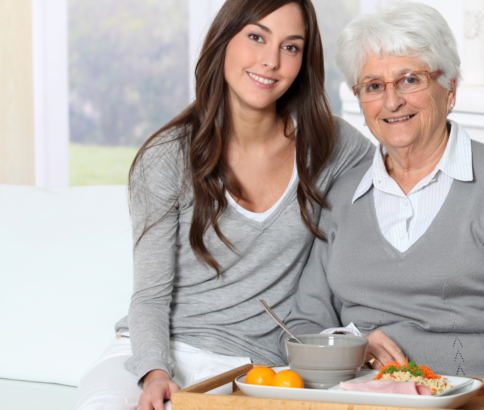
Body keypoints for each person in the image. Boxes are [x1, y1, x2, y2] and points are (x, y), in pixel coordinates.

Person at [72, 0, 373, 409]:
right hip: (147, 356)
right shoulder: (167, 157)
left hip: (252, 368)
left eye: (290, 47)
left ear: (304, 61)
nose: (270, 61)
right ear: (223, 41)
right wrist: (155, 374)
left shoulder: (330, 147)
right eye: (256, 37)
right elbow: (149, 297)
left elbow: (393, 201)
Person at [283, 3, 484, 409]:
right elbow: (303, 323)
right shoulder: (341, 194)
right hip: (361, 401)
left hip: (476, 398)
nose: (391, 101)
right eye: (373, 85)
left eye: (409, 79)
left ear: (450, 88)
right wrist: (352, 345)